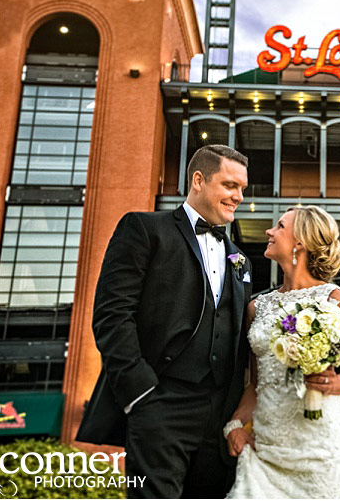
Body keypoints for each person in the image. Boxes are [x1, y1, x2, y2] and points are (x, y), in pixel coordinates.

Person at [75, 145, 252, 498]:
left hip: (217, 417)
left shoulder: (240, 259)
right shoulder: (144, 228)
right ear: (198, 180)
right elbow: (112, 314)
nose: (239, 197)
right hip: (158, 402)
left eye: (243, 189)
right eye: (230, 185)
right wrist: (140, 393)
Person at [225, 205, 340, 499]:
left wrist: (332, 383)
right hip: (267, 451)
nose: (269, 231)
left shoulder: (334, 299)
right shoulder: (257, 307)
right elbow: (256, 385)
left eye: (279, 226)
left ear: (299, 241)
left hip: (323, 450)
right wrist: (235, 425)